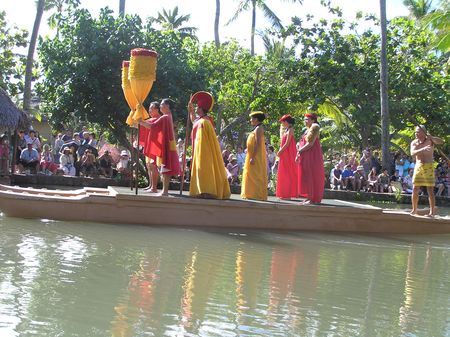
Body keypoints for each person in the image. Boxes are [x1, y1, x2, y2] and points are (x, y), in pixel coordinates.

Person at [187, 91, 230, 199]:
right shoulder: (202, 120)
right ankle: (202, 191)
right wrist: (191, 110)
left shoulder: (205, 122)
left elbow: (204, 139)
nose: (196, 108)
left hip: (204, 152)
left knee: (204, 170)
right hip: (200, 151)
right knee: (201, 170)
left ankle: (206, 191)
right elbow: (194, 121)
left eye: (197, 107)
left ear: (201, 109)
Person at [140, 98, 181, 196]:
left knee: (165, 168)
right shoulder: (168, 116)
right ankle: (164, 190)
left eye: (162, 104)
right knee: (165, 168)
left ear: (167, 106)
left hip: (167, 145)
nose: (160, 106)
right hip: (169, 145)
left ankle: (164, 191)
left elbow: (152, 126)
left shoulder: (165, 117)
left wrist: (140, 121)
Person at [410, 125, 444, 216]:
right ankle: (414, 210)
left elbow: (441, 142)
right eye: (415, 132)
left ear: (424, 132)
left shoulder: (430, 141)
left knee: (430, 189)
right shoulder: (414, 142)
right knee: (415, 188)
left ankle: (432, 212)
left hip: (428, 167)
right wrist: (423, 149)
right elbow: (412, 153)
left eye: (418, 132)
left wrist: (432, 137)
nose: (416, 133)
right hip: (418, 166)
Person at [296, 113, 325, 204]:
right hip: (306, 155)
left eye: (307, 119)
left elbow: (310, 144)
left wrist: (299, 151)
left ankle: (313, 198)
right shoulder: (306, 130)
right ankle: (309, 197)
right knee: (306, 176)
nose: (305, 121)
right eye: (304, 119)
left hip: (312, 156)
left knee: (311, 176)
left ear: (313, 120)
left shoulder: (314, 127)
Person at [241, 111, 268, 201]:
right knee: (251, 174)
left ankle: (257, 194)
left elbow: (257, 143)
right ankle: (251, 193)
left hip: (256, 155)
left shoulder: (259, 129)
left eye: (252, 118)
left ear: (256, 119)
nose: (250, 120)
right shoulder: (256, 128)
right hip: (251, 154)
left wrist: (253, 156)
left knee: (256, 174)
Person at [140, 101, 162, 192]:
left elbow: (150, 126)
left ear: (157, 109)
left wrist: (140, 121)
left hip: (155, 145)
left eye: (151, 108)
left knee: (153, 166)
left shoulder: (159, 119)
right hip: (149, 144)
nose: (149, 110)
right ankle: (150, 185)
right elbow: (143, 125)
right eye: (149, 108)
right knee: (149, 165)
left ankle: (154, 187)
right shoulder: (150, 120)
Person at [276, 114, 298, 199]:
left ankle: (288, 194)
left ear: (286, 122)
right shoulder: (286, 130)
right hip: (284, 153)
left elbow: (287, 143)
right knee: (284, 172)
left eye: (283, 121)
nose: (282, 123)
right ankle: (284, 193)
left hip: (288, 153)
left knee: (288, 172)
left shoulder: (291, 130)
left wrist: (280, 151)